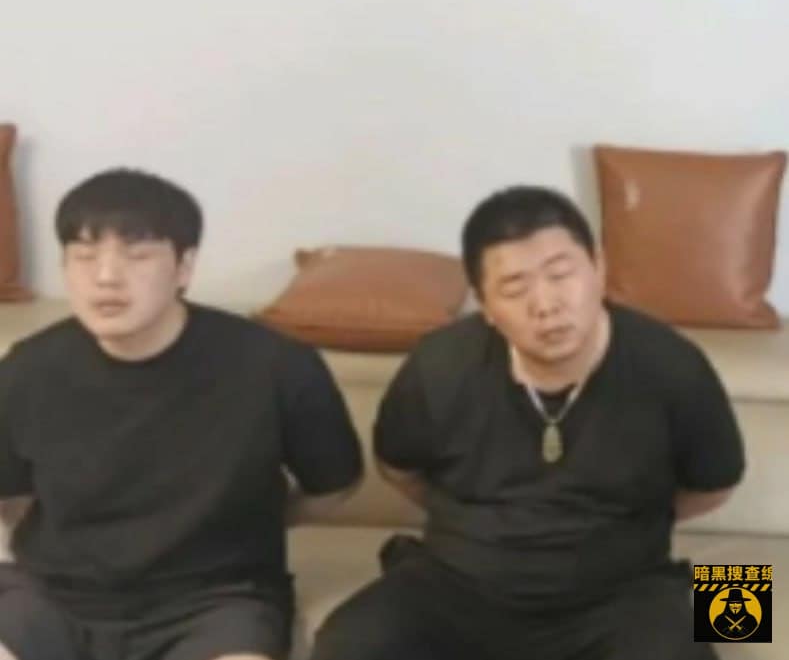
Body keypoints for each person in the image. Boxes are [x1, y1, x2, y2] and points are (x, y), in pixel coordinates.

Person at [311, 185, 744, 660]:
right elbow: (399, 468)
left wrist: (625, 530)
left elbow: (715, 486)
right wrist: (476, 528)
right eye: (515, 289)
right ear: (485, 306)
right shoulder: (440, 363)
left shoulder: (674, 364)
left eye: (561, 274)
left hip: (624, 591)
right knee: (346, 643)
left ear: (599, 268)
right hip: (458, 585)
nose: (546, 305)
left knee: (720, 637)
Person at [0, 168, 363, 660]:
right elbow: (12, 498)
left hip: (217, 600)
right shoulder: (28, 367)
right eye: (84, 256)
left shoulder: (276, 365)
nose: (106, 277)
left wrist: (245, 522)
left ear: (184, 267)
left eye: (137, 255)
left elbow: (334, 485)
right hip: (53, 596)